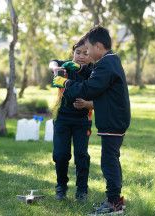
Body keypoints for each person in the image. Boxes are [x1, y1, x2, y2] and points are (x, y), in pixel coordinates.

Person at [52, 26, 130, 214]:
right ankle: (115, 202)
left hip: (112, 121)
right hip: (114, 120)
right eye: (81, 51)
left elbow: (88, 89)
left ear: (98, 46)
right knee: (111, 160)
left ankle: (113, 204)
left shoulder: (105, 64)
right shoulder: (110, 61)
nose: (86, 53)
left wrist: (66, 83)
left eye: (88, 50)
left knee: (109, 161)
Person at [49, 37, 94, 201]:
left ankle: (82, 191)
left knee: (81, 155)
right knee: (60, 155)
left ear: (91, 56)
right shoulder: (67, 66)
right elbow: (53, 61)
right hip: (62, 117)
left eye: (85, 53)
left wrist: (87, 104)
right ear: (73, 53)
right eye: (78, 52)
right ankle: (61, 186)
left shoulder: (92, 72)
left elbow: (101, 98)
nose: (81, 56)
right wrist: (55, 68)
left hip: (83, 120)